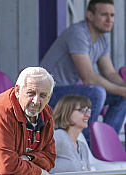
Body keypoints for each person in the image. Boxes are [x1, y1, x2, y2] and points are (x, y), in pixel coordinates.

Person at [40, 0, 126, 145]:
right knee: (97, 93)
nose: (109, 19)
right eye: (104, 14)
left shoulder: (102, 39)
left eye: (112, 15)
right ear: (90, 15)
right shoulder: (78, 33)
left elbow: (110, 73)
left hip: (68, 91)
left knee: (120, 97)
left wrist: (123, 89)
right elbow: (89, 78)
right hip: (48, 92)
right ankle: (86, 144)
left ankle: (106, 144)